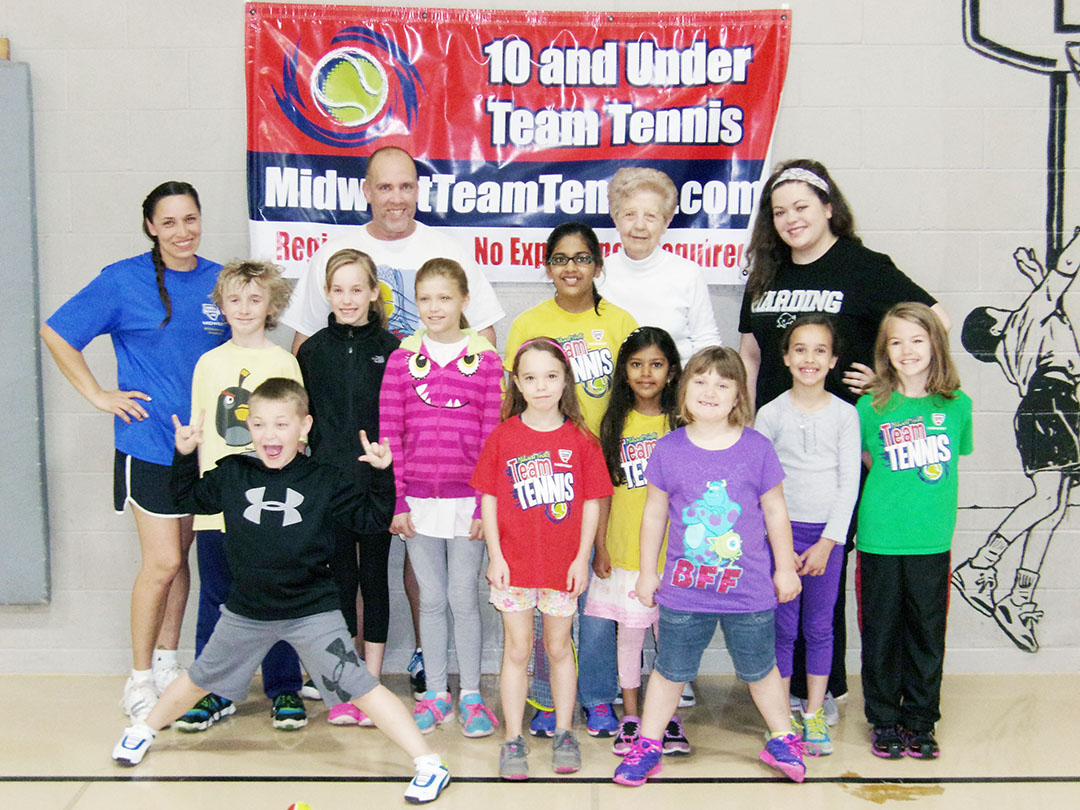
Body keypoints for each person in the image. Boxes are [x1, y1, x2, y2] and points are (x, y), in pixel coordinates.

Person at [110, 379, 451, 804]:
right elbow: (191, 499)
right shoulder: (233, 473)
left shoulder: (326, 479)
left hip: (313, 611)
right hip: (247, 611)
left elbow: (369, 520)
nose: (270, 435)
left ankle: (429, 764)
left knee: (361, 687)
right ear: (247, 428)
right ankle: (141, 732)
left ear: (304, 426)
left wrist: (382, 476)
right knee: (199, 678)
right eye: (259, 425)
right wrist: (183, 457)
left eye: (281, 424)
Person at [284, 146, 507, 693]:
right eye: (385, 187)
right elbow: (301, 347)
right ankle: (349, 667)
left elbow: (487, 341)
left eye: (406, 186)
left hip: (434, 451)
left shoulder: (446, 249)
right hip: (359, 453)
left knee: (424, 567)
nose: (396, 198)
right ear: (367, 190)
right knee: (354, 568)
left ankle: (420, 663)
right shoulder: (335, 252)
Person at [738, 158, 951, 720]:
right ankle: (777, 681)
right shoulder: (766, 274)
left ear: (829, 208)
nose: (791, 220)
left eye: (802, 207)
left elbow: (933, 322)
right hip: (776, 447)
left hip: (838, 449)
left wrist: (889, 377)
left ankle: (822, 691)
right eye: (780, 212)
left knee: (821, 567)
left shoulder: (863, 266)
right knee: (776, 561)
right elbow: (752, 355)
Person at [40, 181, 228, 721]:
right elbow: (58, 332)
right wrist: (98, 395)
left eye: (190, 219)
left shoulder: (218, 281)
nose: (182, 231)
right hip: (148, 444)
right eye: (168, 222)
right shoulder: (123, 280)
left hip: (205, 447)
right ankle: (140, 676)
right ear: (151, 227)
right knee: (162, 561)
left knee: (182, 558)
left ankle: (169, 662)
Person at [613, 346, 810, 787]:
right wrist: (648, 572)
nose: (710, 391)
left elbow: (776, 512)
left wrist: (785, 568)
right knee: (670, 669)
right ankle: (648, 743)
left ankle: (781, 737)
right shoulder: (668, 449)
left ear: (738, 394)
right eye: (700, 381)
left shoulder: (757, 449)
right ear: (683, 391)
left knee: (762, 669)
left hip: (750, 589)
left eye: (723, 383)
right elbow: (654, 515)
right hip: (685, 590)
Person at [503, 222, 637, 738]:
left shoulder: (619, 321)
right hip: (543, 469)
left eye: (582, 257)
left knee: (597, 590)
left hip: (602, 467)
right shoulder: (530, 322)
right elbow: (508, 401)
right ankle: (541, 696)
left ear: (598, 265)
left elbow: (633, 391)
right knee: (546, 590)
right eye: (560, 258)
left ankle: (597, 695)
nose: (571, 267)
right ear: (548, 266)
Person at [471, 339, 613, 780]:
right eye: (530, 378)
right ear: (517, 382)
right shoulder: (504, 436)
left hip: (562, 567)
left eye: (550, 376)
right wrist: (495, 556)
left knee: (556, 646)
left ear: (565, 379)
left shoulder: (581, 440)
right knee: (517, 649)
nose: (541, 386)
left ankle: (565, 732)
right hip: (512, 567)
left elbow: (592, 501)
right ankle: (513, 738)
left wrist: (581, 558)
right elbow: (490, 500)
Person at [179, 260, 307, 733]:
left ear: (271, 305)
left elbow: (296, 435)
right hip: (221, 508)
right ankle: (214, 691)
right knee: (216, 598)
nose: (244, 308)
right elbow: (200, 436)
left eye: (255, 299)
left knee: (278, 597)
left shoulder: (284, 362)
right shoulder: (209, 364)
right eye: (234, 299)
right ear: (221, 306)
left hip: (274, 508)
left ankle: (284, 688)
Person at [378, 258, 503, 737]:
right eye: (425, 298)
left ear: (464, 301)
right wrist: (399, 501)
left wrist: (481, 505)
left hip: (469, 503)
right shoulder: (400, 361)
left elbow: (492, 438)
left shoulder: (487, 361)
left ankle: (470, 693)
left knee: (463, 598)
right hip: (417, 503)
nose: (434, 307)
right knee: (430, 598)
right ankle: (435, 692)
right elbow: (392, 434)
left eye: (444, 298)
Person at [954, 227, 1080, 652]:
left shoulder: (1026, 332)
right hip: (1052, 404)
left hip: (1051, 404)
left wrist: (1033, 274)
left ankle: (1019, 595)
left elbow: (1052, 306)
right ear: (995, 326)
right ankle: (980, 565)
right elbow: (1062, 277)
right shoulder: (1021, 326)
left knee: (1054, 505)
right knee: (1047, 501)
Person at [857, 303, 972, 760]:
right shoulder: (870, 406)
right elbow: (871, 463)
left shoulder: (957, 406)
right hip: (880, 539)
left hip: (931, 541)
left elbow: (950, 462)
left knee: (926, 634)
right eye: (896, 341)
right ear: (885, 350)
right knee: (880, 634)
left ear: (935, 345)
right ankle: (884, 720)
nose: (907, 350)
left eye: (917, 340)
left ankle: (921, 722)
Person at [297, 248, 400, 726]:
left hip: (376, 483)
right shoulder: (313, 351)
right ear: (326, 295)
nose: (348, 299)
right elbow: (305, 421)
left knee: (374, 578)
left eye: (357, 289)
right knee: (339, 583)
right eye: (338, 290)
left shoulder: (394, 349)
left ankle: (372, 681)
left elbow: (401, 422)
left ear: (373, 292)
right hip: (329, 486)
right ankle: (340, 684)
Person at [753, 315, 861, 756]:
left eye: (820, 350)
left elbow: (848, 483)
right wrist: (780, 550)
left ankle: (815, 712)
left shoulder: (845, 415)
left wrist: (827, 542)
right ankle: (780, 721)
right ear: (785, 357)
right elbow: (758, 483)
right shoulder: (771, 413)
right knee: (781, 629)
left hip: (825, 541)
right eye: (800, 349)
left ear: (833, 360)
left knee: (818, 629)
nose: (809, 359)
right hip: (780, 540)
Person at [586, 327, 687, 756]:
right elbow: (603, 490)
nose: (646, 373)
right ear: (623, 370)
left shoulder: (683, 422)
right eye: (636, 364)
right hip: (625, 548)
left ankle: (666, 718)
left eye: (657, 364)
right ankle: (631, 715)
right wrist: (601, 545)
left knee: (673, 640)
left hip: (674, 552)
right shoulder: (613, 422)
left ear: (672, 371)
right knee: (628, 637)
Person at [598, 167, 720, 364]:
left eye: (650, 216)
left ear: (666, 222)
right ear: (616, 218)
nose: (639, 225)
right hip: (614, 390)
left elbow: (706, 343)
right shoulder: (598, 274)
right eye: (630, 214)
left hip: (676, 389)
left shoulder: (687, 273)